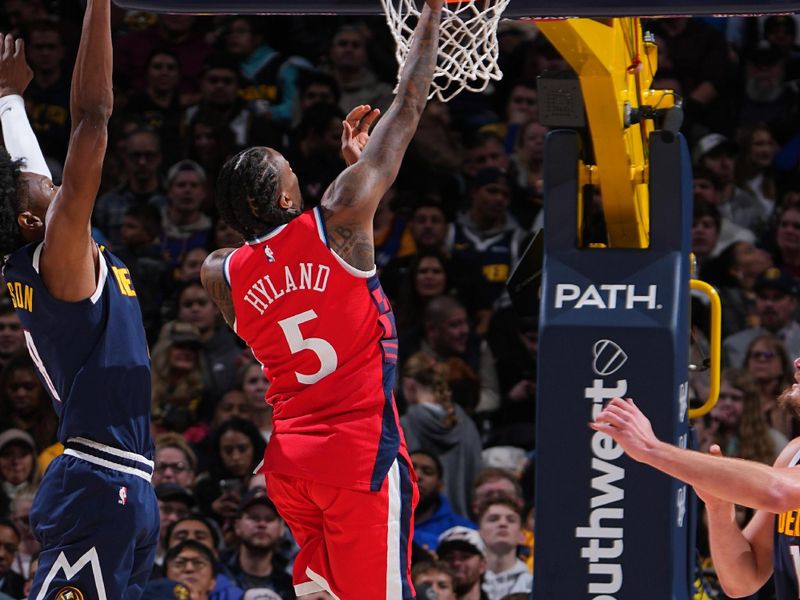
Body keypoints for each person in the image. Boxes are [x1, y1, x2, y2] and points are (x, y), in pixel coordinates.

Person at [200, 1, 443, 597]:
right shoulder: (336, 214)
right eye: (286, 170)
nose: (296, 174)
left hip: (289, 467)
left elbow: (279, 304)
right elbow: (409, 105)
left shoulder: (218, 272)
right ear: (282, 200)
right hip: (357, 458)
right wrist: (434, 15)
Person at [0, 3, 160, 597]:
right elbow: (92, 118)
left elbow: (26, 170)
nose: (57, 181)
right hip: (100, 478)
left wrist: (8, 101)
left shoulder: (46, 245)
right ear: (28, 217)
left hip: (119, 478)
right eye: (49, 188)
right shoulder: (57, 253)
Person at [591, 355, 800, 599]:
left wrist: (651, 449)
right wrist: (719, 507)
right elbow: (743, 579)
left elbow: (779, 491)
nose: (797, 361)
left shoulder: (786, 481)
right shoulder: (793, 452)